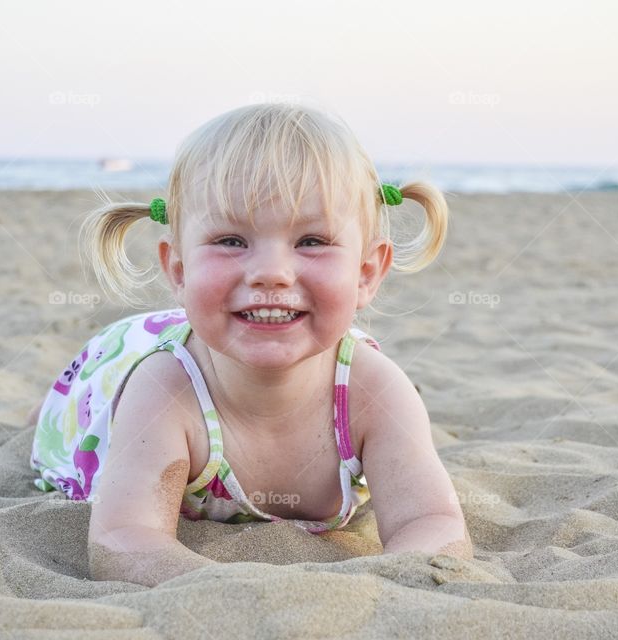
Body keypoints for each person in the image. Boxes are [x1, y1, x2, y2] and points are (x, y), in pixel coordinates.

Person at [28, 102, 472, 587]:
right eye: (231, 241)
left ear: (366, 273)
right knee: (69, 402)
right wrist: (229, 595)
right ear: (179, 270)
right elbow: (124, 538)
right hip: (127, 354)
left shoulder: (373, 392)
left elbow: (431, 523)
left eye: (312, 240)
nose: (271, 273)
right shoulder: (165, 390)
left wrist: (378, 585)